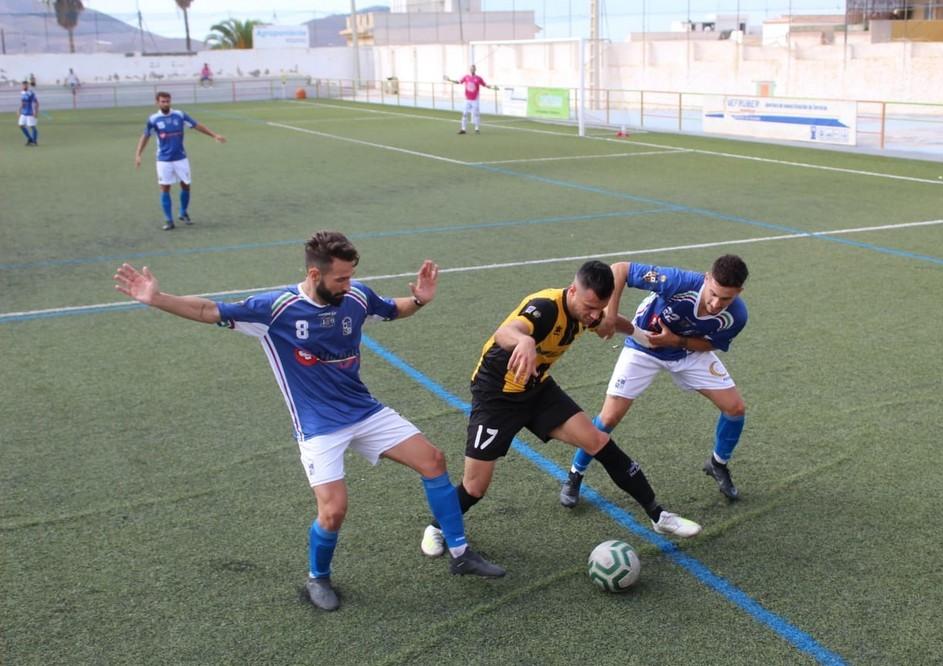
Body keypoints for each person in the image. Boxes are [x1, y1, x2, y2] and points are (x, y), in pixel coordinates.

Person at [113, 231, 505, 612]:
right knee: (333, 511)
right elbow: (208, 310)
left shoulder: (355, 296)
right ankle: (318, 577)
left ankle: (459, 551)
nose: (348, 284)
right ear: (315, 275)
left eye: (351, 275)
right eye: (341, 278)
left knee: (433, 460)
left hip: (363, 411)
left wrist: (419, 299)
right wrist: (157, 298)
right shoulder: (276, 309)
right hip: (318, 426)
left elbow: (390, 308)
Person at [420, 261, 702, 561]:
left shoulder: (589, 311)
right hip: (496, 398)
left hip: (537, 389)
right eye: (590, 307)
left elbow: (611, 321)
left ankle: (659, 516)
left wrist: (646, 338)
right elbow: (506, 332)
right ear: (572, 291)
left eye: (600, 307)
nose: (594, 315)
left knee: (598, 441)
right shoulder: (544, 307)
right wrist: (525, 341)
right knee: (475, 487)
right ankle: (436, 527)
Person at [559, 255, 750, 507]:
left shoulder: (737, 316)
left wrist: (676, 342)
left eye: (726, 298)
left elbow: (711, 344)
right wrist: (609, 316)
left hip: (686, 353)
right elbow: (620, 270)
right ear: (707, 278)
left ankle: (718, 463)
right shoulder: (676, 282)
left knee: (735, 408)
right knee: (608, 418)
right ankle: (575, 474)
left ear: (739, 292)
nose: (716, 303)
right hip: (644, 346)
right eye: (713, 293)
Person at [135, 91, 226, 231]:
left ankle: (183, 212)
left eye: (167, 101)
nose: (166, 103)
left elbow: (196, 125)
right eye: (163, 101)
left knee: (186, 185)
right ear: (157, 102)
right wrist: (138, 154)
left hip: (181, 158)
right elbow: (145, 136)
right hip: (163, 160)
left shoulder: (179, 115)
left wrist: (214, 135)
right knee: (165, 188)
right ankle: (169, 220)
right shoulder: (153, 119)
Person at [446, 65, 498, 135]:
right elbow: (458, 82)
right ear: (470, 69)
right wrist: (449, 80)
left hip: (475, 100)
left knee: (476, 114)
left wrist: (492, 87)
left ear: (475, 69)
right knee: (464, 114)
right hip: (467, 100)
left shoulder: (478, 78)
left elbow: (485, 85)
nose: (472, 70)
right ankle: (463, 129)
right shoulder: (466, 77)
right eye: (471, 69)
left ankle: (477, 129)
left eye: (473, 69)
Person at [17, 80, 39, 146]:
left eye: (25, 85)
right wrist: (19, 110)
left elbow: (36, 103)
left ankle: (34, 141)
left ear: (28, 85)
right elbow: (22, 102)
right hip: (24, 113)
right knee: (21, 125)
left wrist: (36, 112)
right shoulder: (22, 92)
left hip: (30, 112)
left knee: (32, 126)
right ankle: (30, 139)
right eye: (23, 85)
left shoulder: (31, 93)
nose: (24, 86)